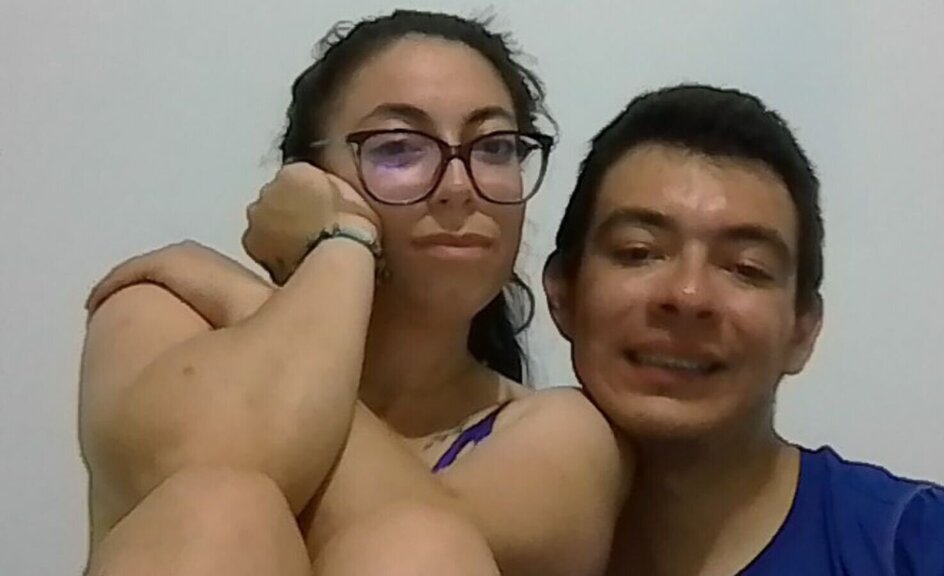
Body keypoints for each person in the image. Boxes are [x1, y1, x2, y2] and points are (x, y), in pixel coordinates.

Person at [79, 10, 629, 576]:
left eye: (494, 148)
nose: (459, 187)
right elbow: (215, 472)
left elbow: (437, 549)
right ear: (309, 179)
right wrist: (342, 249)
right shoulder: (164, 316)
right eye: (398, 148)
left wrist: (267, 279)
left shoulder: (558, 433)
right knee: (221, 508)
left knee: (419, 550)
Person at [543, 84, 944, 575]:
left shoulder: (928, 553)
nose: (688, 296)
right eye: (638, 252)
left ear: (803, 329)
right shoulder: (498, 543)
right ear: (562, 293)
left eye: (746, 268)